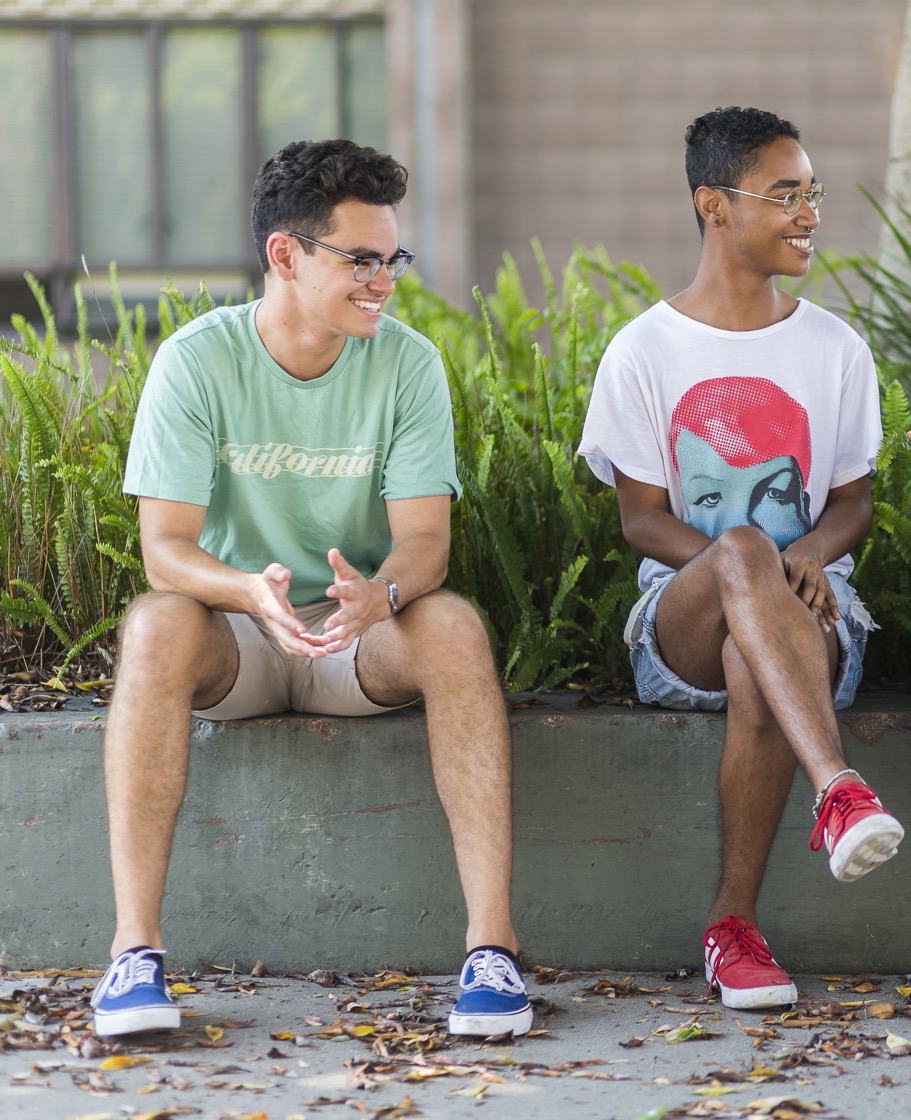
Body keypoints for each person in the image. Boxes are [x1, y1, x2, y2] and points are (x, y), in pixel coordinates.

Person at [92, 139, 531, 1039]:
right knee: (153, 625)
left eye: (392, 258)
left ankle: (493, 952)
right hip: (239, 638)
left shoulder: (407, 364)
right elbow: (165, 550)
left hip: (356, 639)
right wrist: (250, 591)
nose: (384, 280)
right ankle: (133, 956)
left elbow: (425, 543)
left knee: (451, 625)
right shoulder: (196, 360)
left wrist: (382, 594)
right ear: (285, 256)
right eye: (360, 259)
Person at [578, 106, 903, 1011]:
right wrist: (750, 559)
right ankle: (837, 786)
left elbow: (852, 502)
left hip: (813, 615)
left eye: (813, 195)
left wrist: (804, 560)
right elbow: (642, 521)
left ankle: (735, 930)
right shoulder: (643, 350)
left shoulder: (835, 349)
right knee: (741, 555)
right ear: (714, 204)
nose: (809, 214)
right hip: (676, 624)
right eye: (785, 194)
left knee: (753, 659)